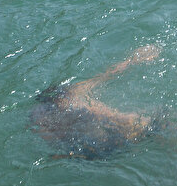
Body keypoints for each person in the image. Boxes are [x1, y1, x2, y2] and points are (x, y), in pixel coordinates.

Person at [30, 45, 162, 159]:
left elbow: (107, 75)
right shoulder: (73, 93)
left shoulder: (40, 115)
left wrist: (133, 60)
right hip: (114, 141)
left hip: (92, 151)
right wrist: (132, 60)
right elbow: (107, 75)